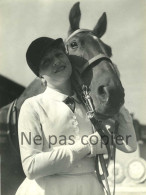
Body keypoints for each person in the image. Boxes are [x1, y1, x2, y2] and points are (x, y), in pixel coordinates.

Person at [15, 37, 137, 195]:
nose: (56, 62)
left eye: (59, 55)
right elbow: (31, 167)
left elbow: (129, 145)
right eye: (47, 62)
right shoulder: (33, 106)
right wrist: (88, 145)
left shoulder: (90, 104)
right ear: (41, 77)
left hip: (90, 189)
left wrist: (117, 102)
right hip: (48, 190)